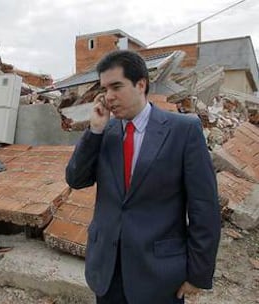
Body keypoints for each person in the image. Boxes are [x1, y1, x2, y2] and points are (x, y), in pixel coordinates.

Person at [65, 50, 221, 304]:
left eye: (117, 86)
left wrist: (198, 274)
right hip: (107, 270)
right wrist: (94, 131)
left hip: (160, 275)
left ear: (141, 84)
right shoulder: (106, 130)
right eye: (105, 88)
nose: (108, 96)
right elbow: (76, 179)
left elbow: (204, 207)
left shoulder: (183, 130)